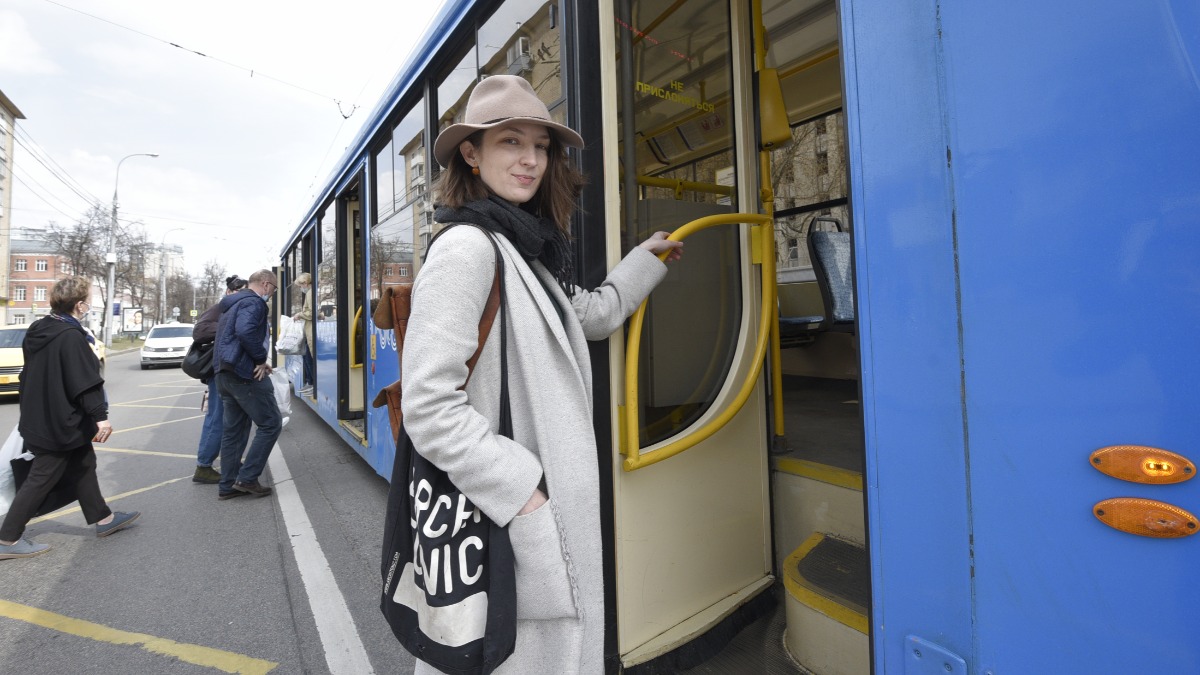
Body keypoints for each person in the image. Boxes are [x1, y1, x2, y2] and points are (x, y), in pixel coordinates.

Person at [401, 75, 683, 673]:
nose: (530, 159)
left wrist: (644, 262)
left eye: (541, 144)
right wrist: (523, 493)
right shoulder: (468, 249)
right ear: (471, 155)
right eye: (510, 142)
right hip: (511, 514)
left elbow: (594, 315)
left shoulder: (522, 250)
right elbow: (428, 404)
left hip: (534, 514)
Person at [0, 276, 140, 559]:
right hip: (59, 422)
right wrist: (101, 418)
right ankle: (7, 539)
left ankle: (103, 518)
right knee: (43, 475)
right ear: (79, 305)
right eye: (88, 299)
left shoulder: (40, 328)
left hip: (42, 414)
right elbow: (84, 382)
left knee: (83, 463)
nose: (89, 304)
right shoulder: (70, 336)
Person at [213, 269, 282, 501]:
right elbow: (245, 331)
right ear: (265, 284)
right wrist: (261, 359)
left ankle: (227, 485)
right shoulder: (254, 303)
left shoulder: (231, 303)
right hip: (244, 375)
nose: (271, 294)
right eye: (273, 289)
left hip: (224, 374)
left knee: (233, 432)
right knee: (271, 423)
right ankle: (248, 478)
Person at [189, 274, 248, 484]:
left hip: (230, 370)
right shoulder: (220, 308)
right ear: (229, 292)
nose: (240, 295)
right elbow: (200, 331)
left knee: (235, 419)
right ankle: (203, 466)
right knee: (217, 418)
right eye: (237, 291)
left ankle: (230, 463)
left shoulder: (233, 308)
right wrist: (229, 326)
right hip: (219, 371)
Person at [291, 272, 314, 396]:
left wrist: (299, 314)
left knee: (308, 357)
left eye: (300, 286)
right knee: (306, 355)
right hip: (308, 330)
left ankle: (311, 383)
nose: (301, 288)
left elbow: (312, 313)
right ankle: (310, 382)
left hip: (310, 331)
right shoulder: (312, 293)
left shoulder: (310, 293)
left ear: (305, 283)